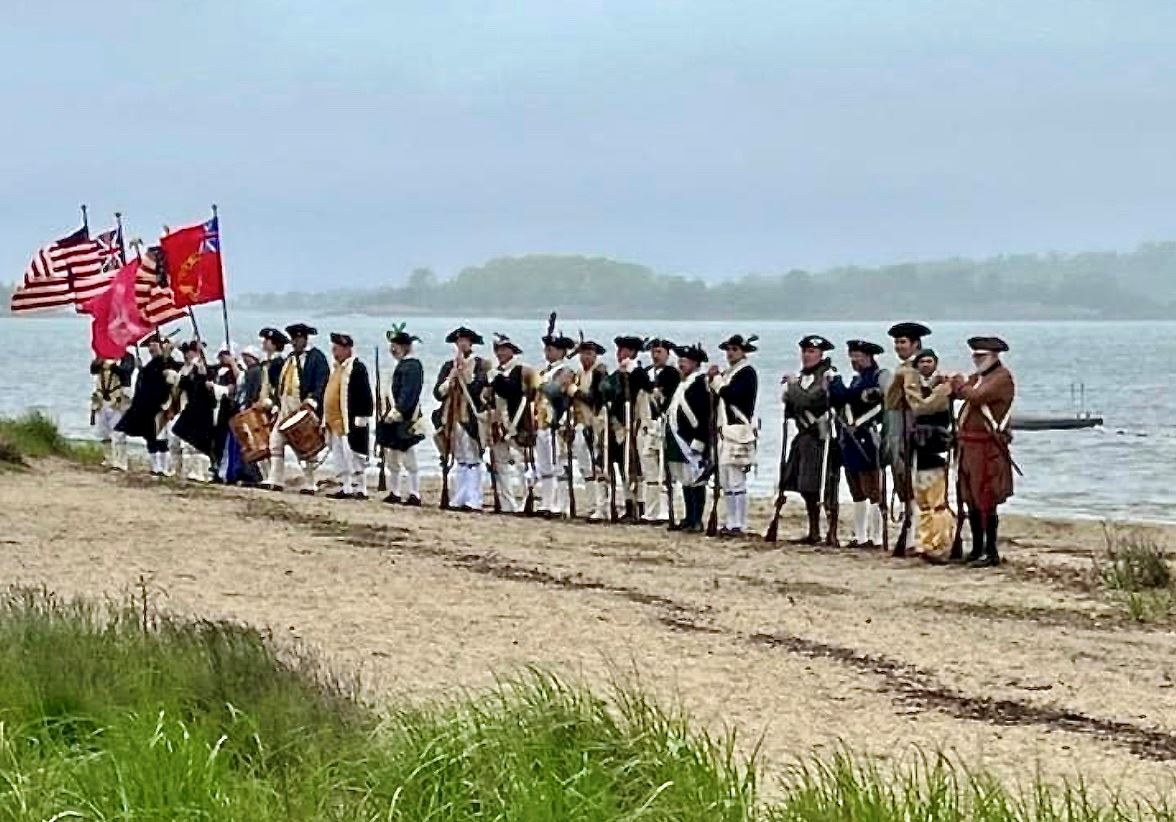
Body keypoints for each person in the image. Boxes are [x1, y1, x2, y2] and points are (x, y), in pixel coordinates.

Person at [950, 336, 1016, 568]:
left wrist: (959, 383)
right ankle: (977, 548)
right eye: (975, 356)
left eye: (981, 356)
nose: (977, 360)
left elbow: (976, 396)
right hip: (969, 445)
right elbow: (961, 392)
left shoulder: (1002, 378)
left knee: (986, 497)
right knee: (970, 498)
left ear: (994, 356)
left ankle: (991, 551)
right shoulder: (981, 377)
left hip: (987, 446)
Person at [781, 335, 840, 545]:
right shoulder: (803, 377)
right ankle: (814, 530)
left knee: (826, 487)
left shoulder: (827, 375)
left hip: (821, 438)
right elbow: (794, 407)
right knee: (807, 487)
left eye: (812, 352)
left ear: (821, 354)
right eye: (805, 351)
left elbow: (810, 400)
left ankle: (832, 532)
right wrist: (788, 395)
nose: (807, 355)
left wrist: (792, 387)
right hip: (805, 436)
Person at [828, 340, 888, 548]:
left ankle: (877, 537)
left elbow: (850, 398)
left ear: (869, 357)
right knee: (857, 490)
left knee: (872, 488)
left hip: (866, 437)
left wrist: (835, 382)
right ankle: (861, 536)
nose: (854, 360)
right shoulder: (858, 379)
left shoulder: (875, 379)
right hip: (851, 439)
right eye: (852, 356)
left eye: (858, 356)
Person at [882, 321, 932, 556]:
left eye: (903, 342)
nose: (898, 346)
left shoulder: (918, 370)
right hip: (898, 430)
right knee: (904, 484)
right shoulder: (904, 369)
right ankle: (909, 533)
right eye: (897, 342)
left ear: (915, 344)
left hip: (913, 433)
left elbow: (919, 403)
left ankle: (916, 536)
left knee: (916, 486)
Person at [264, 323, 330, 494]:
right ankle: (276, 479)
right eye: (293, 339)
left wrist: (313, 400)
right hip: (285, 408)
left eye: (297, 338)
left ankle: (310, 482)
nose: (294, 342)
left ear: (304, 338)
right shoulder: (289, 359)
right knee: (275, 443)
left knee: (306, 449)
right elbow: (280, 384)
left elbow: (321, 382)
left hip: (303, 409)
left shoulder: (317, 358)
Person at [433, 327, 490, 511]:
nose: (461, 344)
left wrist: (464, 374)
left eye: (465, 341)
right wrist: (450, 378)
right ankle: (459, 496)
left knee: (473, 457)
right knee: (460, 458)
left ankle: (474, 498)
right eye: (459, 342)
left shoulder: (481, 365)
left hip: (470, 417)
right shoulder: (448, 366)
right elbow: (438, 393)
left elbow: (477, 390)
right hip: (451, 417)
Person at [708, 334, 759, 537]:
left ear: (743, 352)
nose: (730, 353)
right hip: (725, 431)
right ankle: (730, 521)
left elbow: (732, 395)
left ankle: (739, 523)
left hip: (738, 430)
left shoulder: (747, 373)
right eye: (728, 349)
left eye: (734, 349)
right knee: (727, 480)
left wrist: (717, 381)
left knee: (737, 480)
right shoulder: (730, 373)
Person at [909, 349, 956, 558]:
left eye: (930, 361)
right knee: (923, 502)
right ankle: (925, 542)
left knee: (938, 501)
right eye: (922, 361)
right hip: (917, 449)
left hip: (937, 447)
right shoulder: (913, 386)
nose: (926, 364)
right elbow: (915, 408)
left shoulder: (943, 387)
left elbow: (926, 408)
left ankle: (941, 542)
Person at [602, 335, 653, 523]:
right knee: (623, 469)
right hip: (617, 427)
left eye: (624, 351)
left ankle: (639, 505)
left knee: (635, 469)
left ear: (632, 353)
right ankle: (628, 503)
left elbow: (645, 389)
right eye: (619, 350)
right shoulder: (617, 375)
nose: (620, 354)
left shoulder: (639, 373)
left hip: (634, 426)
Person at [115, 333, 179, 476]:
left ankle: (164, 467)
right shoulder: (150, 365)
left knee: (161, 437)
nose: (152, 348)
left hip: (161, 405)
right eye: (150, 345)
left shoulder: (168, 363)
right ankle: (155, 466)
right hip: (144, 406)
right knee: (149, 437)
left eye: (154, 344)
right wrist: (141, 369)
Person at [664, 343, 712, 533]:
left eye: (686, 361)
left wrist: (700, 441)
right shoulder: (683, 383)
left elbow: (704, 415)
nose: (681, 364)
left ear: (696, 363)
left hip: (691, 439)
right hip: (678, 438)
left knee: (696, 479)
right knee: (685, 478)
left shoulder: (700, 384)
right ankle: (688, 517)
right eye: (680, 360)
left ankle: (697, 520)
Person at [487, 334, 536, 514]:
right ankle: (506, 503)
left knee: (524, 463)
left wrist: (497, 380)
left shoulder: (522, 371)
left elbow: (514, 392)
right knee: (500, 465)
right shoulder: (493, 372)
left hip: (518, 422)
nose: (500, 353)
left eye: (504, 349)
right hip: (498, 423)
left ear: (511, 351)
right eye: (498, 350)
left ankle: (525, 501)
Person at [322, 333, 374, 500]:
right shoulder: (336, 369)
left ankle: (361, 488)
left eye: (337, 349)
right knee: (340, 456)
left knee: (355, 455)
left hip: (350, 420)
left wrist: (363, 415)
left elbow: (365, 394)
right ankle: (345, 486)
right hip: (335, 421)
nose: (334, 352)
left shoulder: (357, 368)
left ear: (346, 349)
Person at [379, 327, 425, 506]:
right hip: (394, 417)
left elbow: (409, 392)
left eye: (396, 345)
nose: (393, 349)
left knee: (408, 458)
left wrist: (399, 410)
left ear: (406, 347)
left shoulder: (413, 365)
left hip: (406, 418)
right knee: (392, 457)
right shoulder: (403, 365)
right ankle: (395, 492)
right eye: (392, 345)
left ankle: (414, 493)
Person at [533, 326, 576, 517]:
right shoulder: (545, 372)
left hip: (556, 423)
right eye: (547, 349)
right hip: (542, 422)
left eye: (551, 349)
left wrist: (539, 385)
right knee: (545, 467)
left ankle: (561, 505)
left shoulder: (566, 371)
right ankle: (547, 503)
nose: (548, 352)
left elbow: (554, 390)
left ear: (561, 351)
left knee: (558, 466)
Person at [638, 338, 681, 525]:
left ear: (667, 354)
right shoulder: (648, 372)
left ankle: (663, 510)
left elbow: (659, 394)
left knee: (664, 471)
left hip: (664, 424)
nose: (655, 356)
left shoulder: (671, 373)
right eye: (653, 352)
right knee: (650, 471)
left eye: (659, 352)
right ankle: (651, 510)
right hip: (648, 425)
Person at [567, 337, 609, 521]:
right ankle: (592, 505)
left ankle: (602, 506)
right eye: (583, 353)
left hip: (596, 424)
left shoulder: (599, 372)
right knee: (586, 468)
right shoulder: (579, 373)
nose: (585, 357)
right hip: (580, 423)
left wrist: (574, 391)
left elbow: (596, 399)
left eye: (589, 353)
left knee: (598, 467)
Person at [169, 340, 216, 481]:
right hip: (189, 409)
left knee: (196, 444)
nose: (186, 354)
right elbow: (184, 384)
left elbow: (209, 388)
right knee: (177, 440)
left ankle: (200, 472)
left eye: (189, 351)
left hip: (202, 410)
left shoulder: (207, 368)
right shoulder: (186, 369)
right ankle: (179, 469)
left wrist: (202, 374)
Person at [218, 346, 264, 487]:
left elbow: (240, 380)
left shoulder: (255, 371)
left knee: (245, 446)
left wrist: (232, 362)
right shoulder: (252, 371)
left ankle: (246, 474)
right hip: (242, 411)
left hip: (247, 413)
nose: (245, 359)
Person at [90, 353, 135, 471]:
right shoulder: (102, 357)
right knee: (104, 431)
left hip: (118, 400)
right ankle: (108, 458)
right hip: (102, 399)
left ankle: (120, 462)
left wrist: (113, 366)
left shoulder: (128, 357)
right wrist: (100, 360)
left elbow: (126, 372)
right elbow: (93, 369)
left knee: (118, 433)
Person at [256, 327, 289, 485]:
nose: (264, 343)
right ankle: (269, 475)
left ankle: (275, 477)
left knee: (274, 442)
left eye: (267, 341)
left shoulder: (278, 363)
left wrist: (274, 403)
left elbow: (278, 387)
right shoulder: (268, 362)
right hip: (265, 404)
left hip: (273, 406)